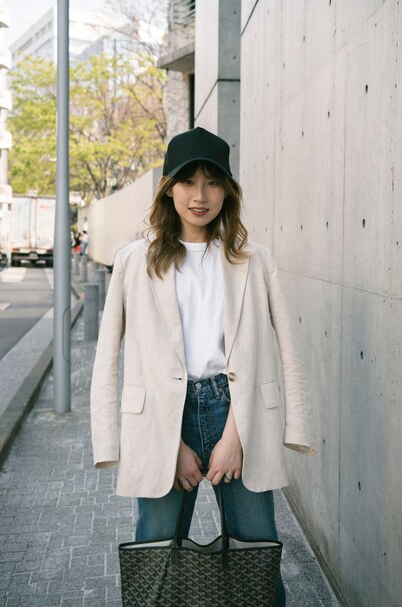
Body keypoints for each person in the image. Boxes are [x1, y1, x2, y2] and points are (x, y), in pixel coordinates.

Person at [90, 127, 316, 606]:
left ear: (227, 191)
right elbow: (107, 358)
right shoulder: (134, 261)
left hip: (236, 415)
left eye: (212, 182)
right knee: (154, 559)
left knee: (256, 556)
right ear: (168, 188)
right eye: (188, 181)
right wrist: (160, 443)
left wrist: (238, 434)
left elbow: (286, 352)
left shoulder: (255, 260)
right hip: (161, 426)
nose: (199, 195)